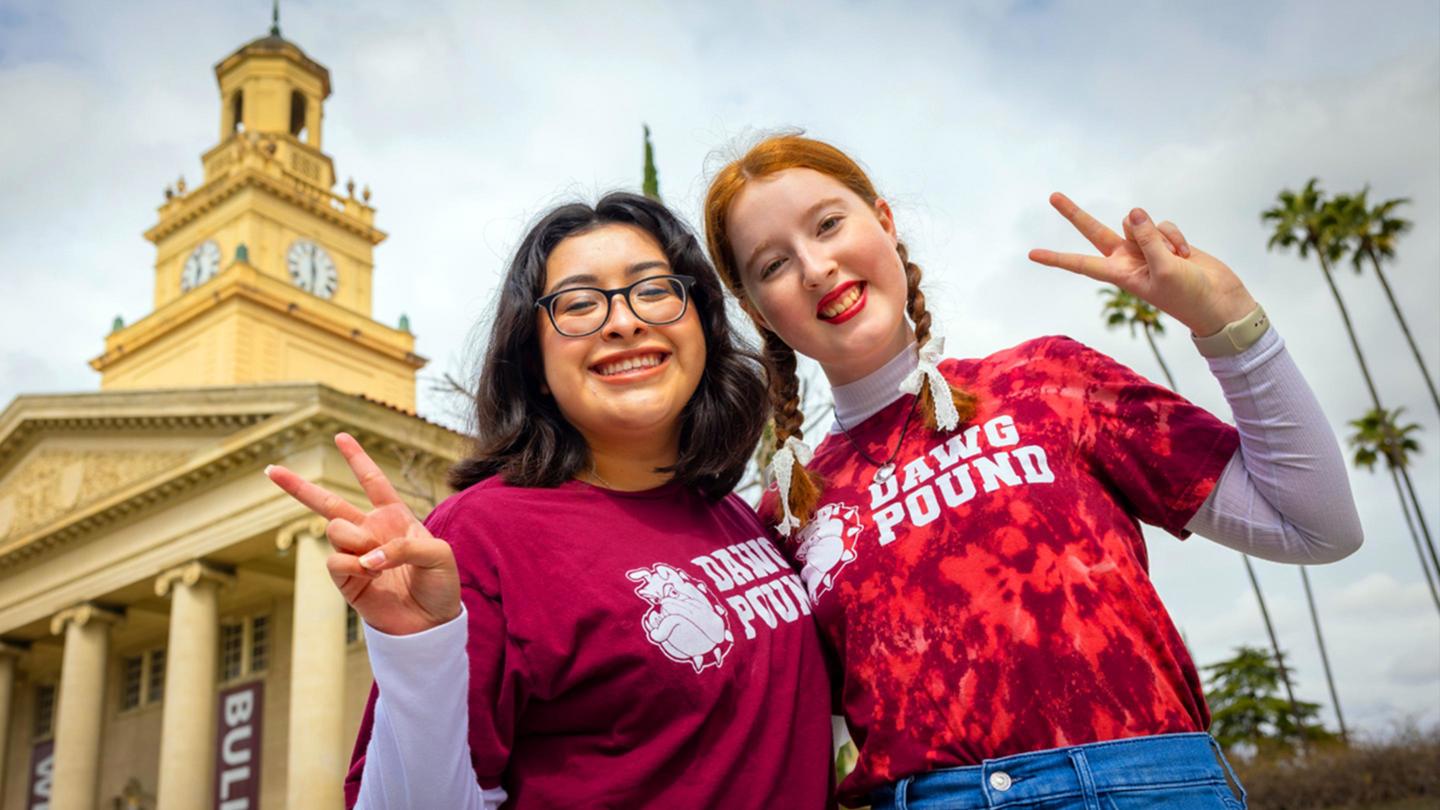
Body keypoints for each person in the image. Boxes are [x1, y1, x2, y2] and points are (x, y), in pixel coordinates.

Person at [702, 134, 1363, 810]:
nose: (815, 267)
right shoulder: (787, 511)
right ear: (757, 310)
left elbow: (1315, 527)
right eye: (774, 264)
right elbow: (800, 743)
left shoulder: (1046, 379)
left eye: (829, 224)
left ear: (885, 222)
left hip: (1150, 786)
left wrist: (1227, 318)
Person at [266, 192, 833, 809]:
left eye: (652, 290)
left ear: (701, 321)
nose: (623, 321)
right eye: (580, 304)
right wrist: (416, 647)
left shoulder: (732, 516)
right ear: (534, 362)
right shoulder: (480, 536)